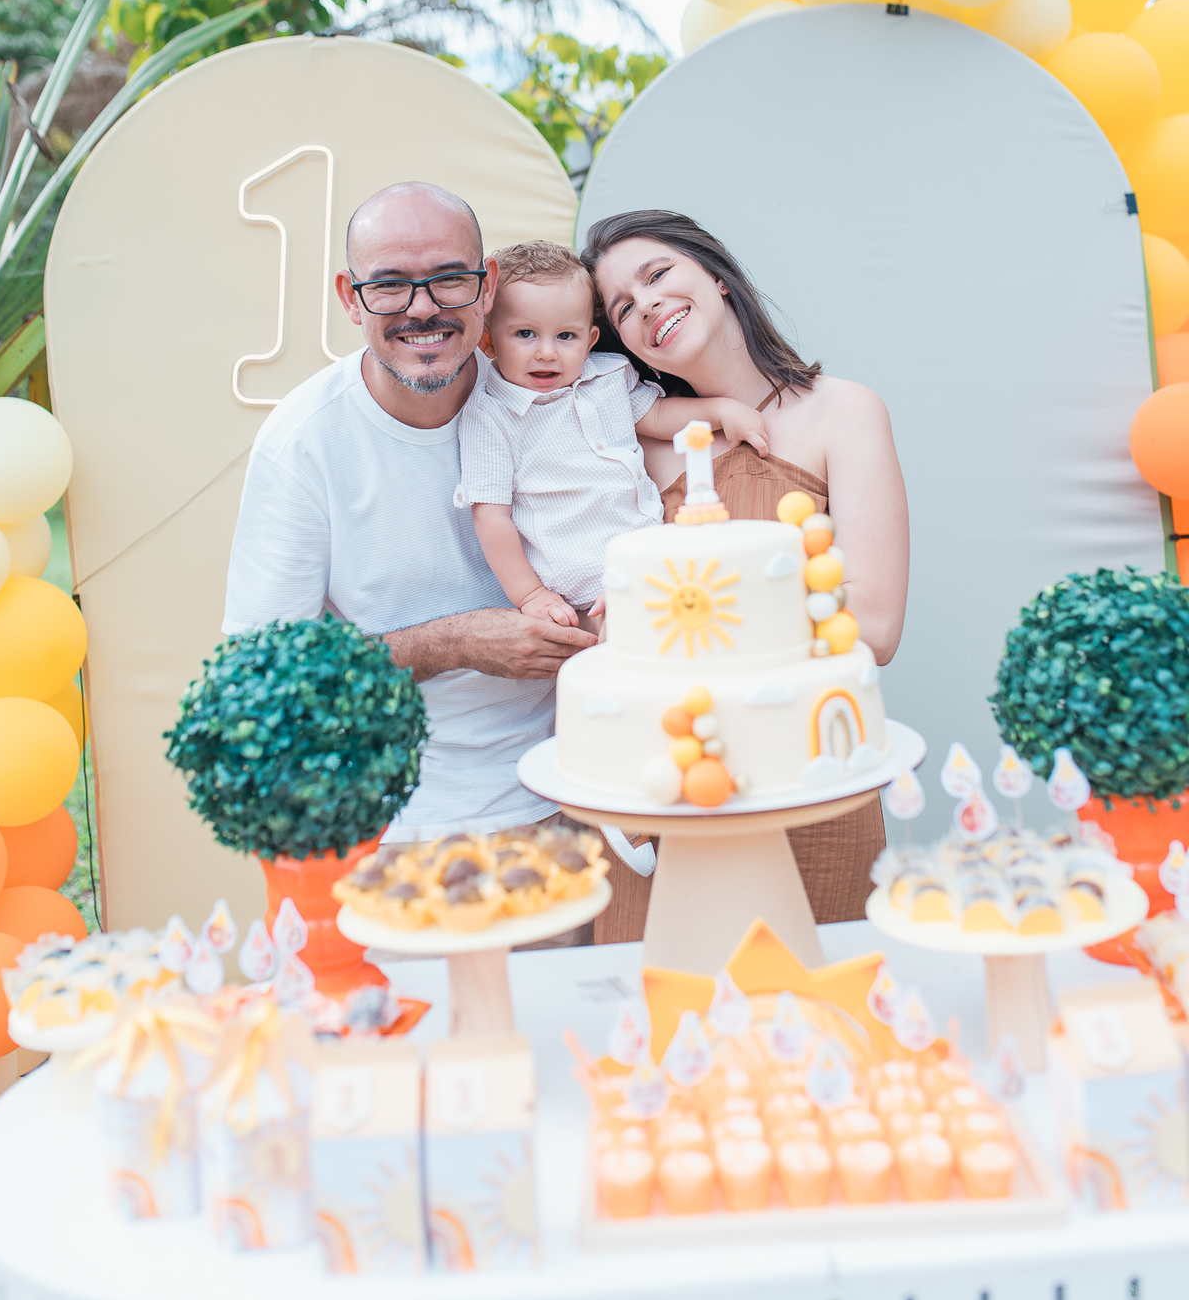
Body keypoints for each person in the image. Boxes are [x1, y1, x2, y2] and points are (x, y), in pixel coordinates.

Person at [222, 182, 597, 838]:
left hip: (583, 789)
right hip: (406, 822)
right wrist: (454, 643)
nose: (422, 309)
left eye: (449, 278)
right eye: (390, 285)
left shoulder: (555, 391)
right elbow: (261, 676)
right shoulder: (306, 440)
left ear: (487, 285)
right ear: (350, 297)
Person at [582, 207, 910, 939]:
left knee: (817, 998)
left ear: (718, 276)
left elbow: (877, 625)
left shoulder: (842, 412)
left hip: (808, 785)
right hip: (659, 798)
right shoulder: (623, 449)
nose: (647, 306)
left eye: (658, 274)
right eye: (622, 309)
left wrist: (693, 611)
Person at [456, 239, 768, 627]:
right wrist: (530, 594)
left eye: (565, 336)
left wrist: (720, 412)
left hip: (652, 554)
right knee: (629, 642)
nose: (547, 352)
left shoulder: (608, 376)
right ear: (488, 342)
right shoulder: (490, 416)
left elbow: (656, 415)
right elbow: (492, 518)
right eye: (525, 334)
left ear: (589, 341)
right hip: (580, 580)